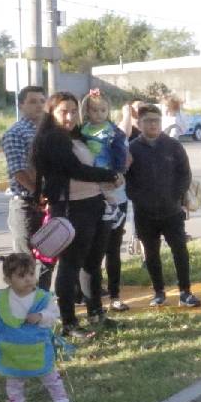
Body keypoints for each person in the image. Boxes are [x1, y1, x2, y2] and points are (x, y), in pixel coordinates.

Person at [30, 91, 122, 340]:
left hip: (93, 203)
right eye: (63, 111)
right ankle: (69, 323)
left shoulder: (77, 136)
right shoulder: (52, 139)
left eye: (73, 110)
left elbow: (109, 141)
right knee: (70, 265)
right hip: (71, 209)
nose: (70, 116)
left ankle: (96, 314)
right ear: (52, 113)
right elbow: (77, 170)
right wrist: (109, 176)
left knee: (92, 263)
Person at [126, 104, 201, 308]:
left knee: (180, 250)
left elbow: (184, 174)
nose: (152, 124)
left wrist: (175, 196)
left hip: (172, 210)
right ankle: (158, 291)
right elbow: (127, 178)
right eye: (148, 120)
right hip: (144, 213)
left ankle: (185, 292)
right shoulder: (132, 148)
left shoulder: (173, 145)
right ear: (139, 123)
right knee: (151, 253)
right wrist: (138, 197)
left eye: (156, 120)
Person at [0, 253, 71, 402]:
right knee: (14, 384)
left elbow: (54, 315)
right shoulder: (0, 299)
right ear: (7, 280)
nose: (28, 279)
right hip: (12, 355)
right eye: (21, 275)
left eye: (31, 274)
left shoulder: (42, 297)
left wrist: (41, 316)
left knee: (51, 378)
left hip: (38, 350)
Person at [78, 89, 131, 311]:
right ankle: (90, 294)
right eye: (94, 110)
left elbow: (121, 156)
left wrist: (117, 173)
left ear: (109, 111)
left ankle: (115, 294)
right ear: (86, 111)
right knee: (90, 249)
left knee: (113, 247)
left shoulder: (113, 132)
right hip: (90, 190)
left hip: (113, 189)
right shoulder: (80, 132)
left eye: (103, 110)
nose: (99, 114)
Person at [3, 85, 49, 284]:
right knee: (25, 259)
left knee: (50, 254)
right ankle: (25, 305)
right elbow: (18, 171)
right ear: (21, 105)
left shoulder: (51, 130)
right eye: (32, 101)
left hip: (50, 201)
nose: (38, 105)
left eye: (41, 101)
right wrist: (38, 193)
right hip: (25, 204)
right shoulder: (15, 133)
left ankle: (43, 299)